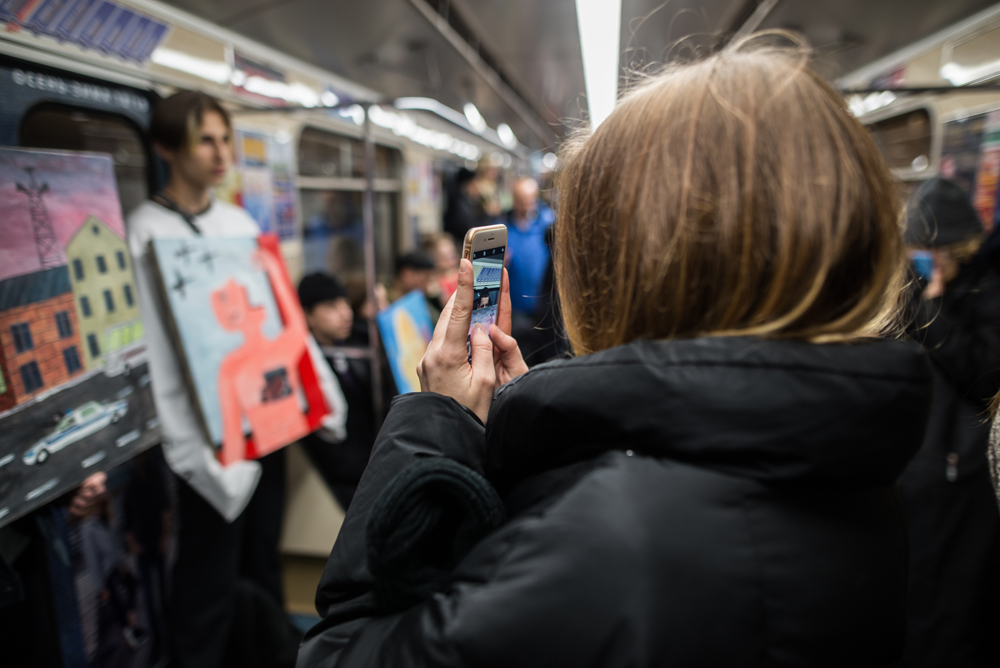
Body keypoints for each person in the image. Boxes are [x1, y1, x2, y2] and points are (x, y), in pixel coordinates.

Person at [298, 36, 933, 667]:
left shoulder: (611, 543)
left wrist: (437, 422)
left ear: (628, 268)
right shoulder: (860, 466)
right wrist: (541, 436)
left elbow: (342, 652)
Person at [127, 90, 343, 668]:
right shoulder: (144, 232)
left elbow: (279, 319)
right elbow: (155, 349)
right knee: (207, 581)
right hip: (203, 431)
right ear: (167, 148)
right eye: (206, 139)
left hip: (262, 422)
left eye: (226, 139)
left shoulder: (238, 222)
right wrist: (187, 446)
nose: (221, 152)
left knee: (261, 563)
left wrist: (314, 391)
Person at [898, 177, 1000, 668]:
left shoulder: (987, 292)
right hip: (912, 471)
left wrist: (935, 312)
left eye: (933, 252)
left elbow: (985, 378)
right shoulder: (905, 293)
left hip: (964, 476)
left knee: (953, 605)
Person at [298, 273, 395, 509]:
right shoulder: (309, 372)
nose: (345, 313)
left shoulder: (352, 349)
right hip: (349, 482)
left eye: (344, 303)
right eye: (332, 307)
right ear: (307, 315)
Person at [503, 177, 555, 318]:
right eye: (522, 200)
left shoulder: (548, 222)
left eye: (530, 200)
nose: (527, 205)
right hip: (515, 306)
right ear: (514, 200)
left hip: (545, 304)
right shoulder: (503, 227)